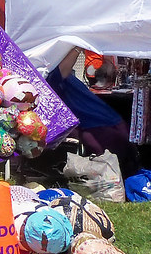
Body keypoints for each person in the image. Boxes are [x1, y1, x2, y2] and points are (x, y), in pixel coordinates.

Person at [46, 47, 140, 177]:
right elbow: (62, 71)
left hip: (106, 124)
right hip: (100, 126)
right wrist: (78, 46)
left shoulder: (55, 75)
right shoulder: (53, 77)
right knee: (112, 167)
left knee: (119, 166)